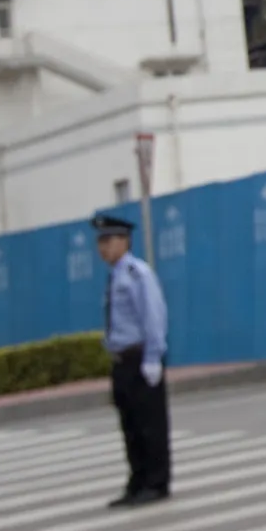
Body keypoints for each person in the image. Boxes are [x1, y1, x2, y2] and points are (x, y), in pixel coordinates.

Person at [93, 213, 170, 507]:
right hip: (121, 361)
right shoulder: (116, 275)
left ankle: (156, 482)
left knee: (150, 425)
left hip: (140, 359)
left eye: (108, 240)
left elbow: (153, 316)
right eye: (100, 242)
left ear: (124, 241)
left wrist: (153, 357)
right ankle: (137, 481)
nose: (103, 248)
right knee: (131, 426)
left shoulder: (138, 273)